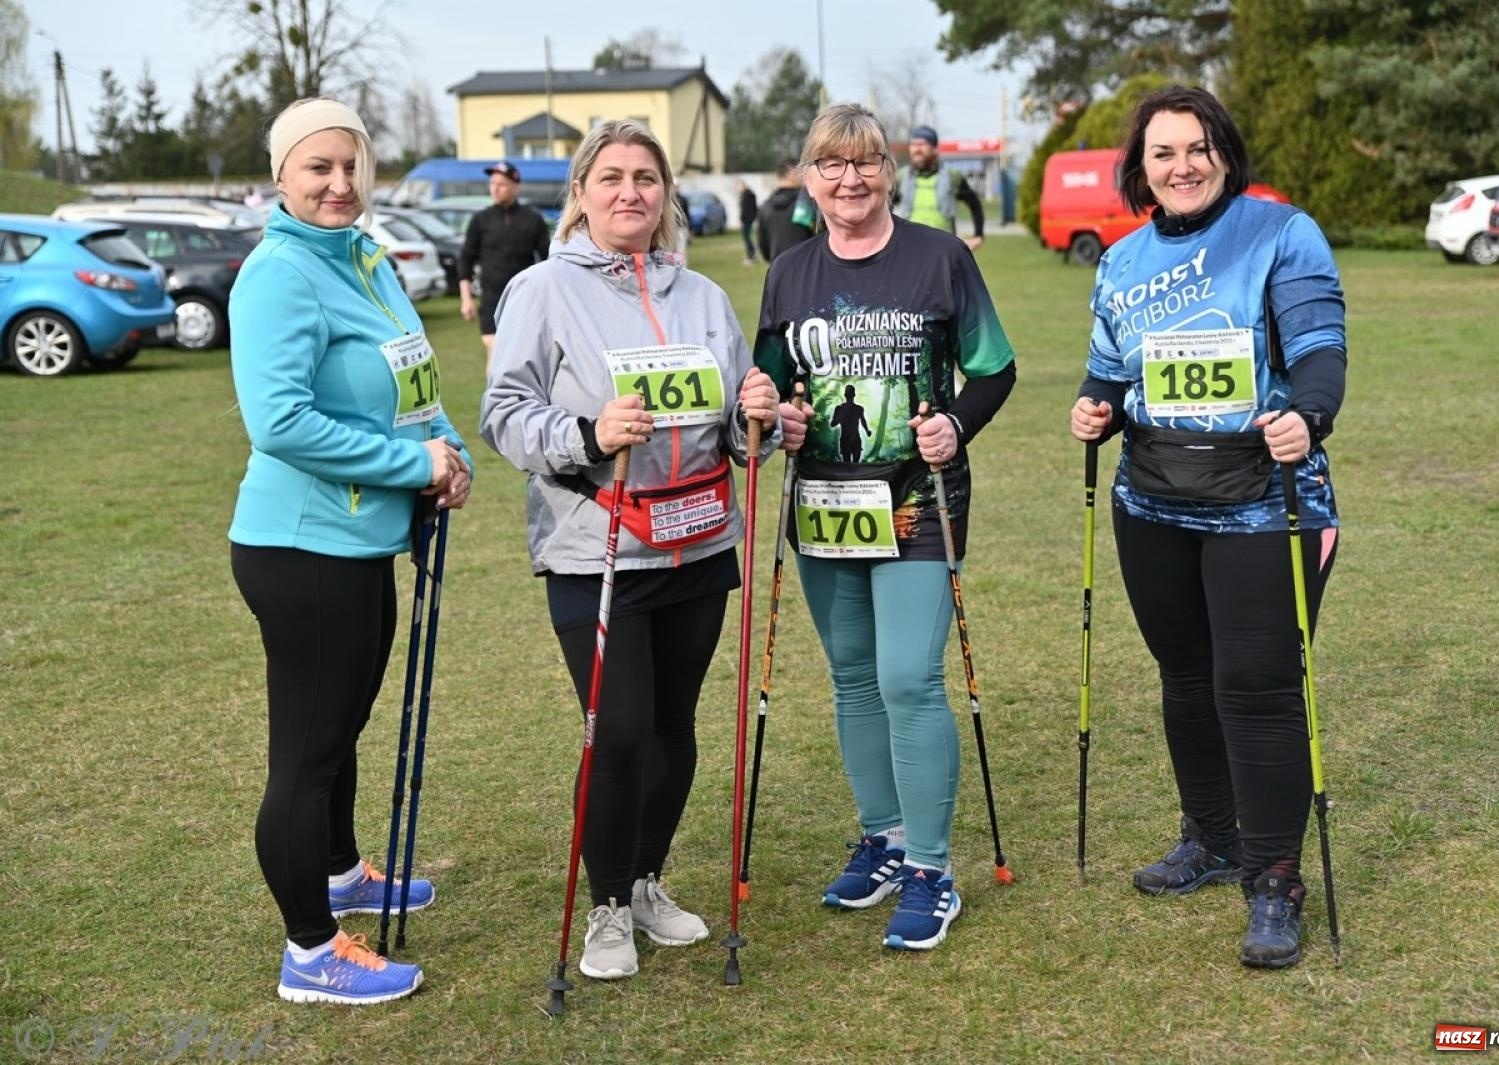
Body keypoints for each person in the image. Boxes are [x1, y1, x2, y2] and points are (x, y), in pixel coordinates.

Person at [479, 119, 781, 982]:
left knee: (672, 729)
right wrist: (587, 429)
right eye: (610, 177)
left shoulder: (704, 297)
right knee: (615, 734)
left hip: (697, 544)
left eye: (645, 178)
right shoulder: (541, 289)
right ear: (580, 193)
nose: (629, 193)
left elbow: (735, 437)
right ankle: (606, 906)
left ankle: (646, 880)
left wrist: (753, 419)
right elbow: (505, 413)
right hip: (596, 547)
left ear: (665, 194)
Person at [1069, 85, 1346, 970]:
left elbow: (1318, 347)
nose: (1181, 165)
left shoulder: (1280, 234)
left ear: (1224, 152)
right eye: (1163, 152)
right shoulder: (1121, 260)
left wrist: (1310, 412)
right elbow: (1111, 369)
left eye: (1197, 147)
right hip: (1151, 501)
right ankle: (1211, 836)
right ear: (1140, 168)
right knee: (1185, 677)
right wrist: (1094, 406)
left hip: (1265, 501)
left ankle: (1273, 881)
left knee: (1256, 686)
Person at [753, 103, 1016, 953]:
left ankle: (934, 869)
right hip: (824, 507)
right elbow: (770, 385)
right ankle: (887, 838)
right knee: (855, 679)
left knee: (908, 677)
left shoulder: (937, 257)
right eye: (830, 165)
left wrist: (957, 425)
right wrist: (781, 415)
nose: (849, 180)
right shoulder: (788, 272)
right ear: (808, 177)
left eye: (865, 163)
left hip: (916, 503)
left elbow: (995, 367)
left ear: (889, 172)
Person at [229, 97, 474, 1005]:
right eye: (317, 168)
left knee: (339, 732)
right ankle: (310, 950)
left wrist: (450, 453)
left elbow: (412, 386)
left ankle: (339, 871)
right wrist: (412, 462)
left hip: (363, 541)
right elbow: (281, 419)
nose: (338, 184)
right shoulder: (278, 273)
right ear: (282, 177)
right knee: (305, 753)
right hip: (303, 548)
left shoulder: (367, 259)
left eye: (350, 167)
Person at [458, 160, 552, 370]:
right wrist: (466, 299)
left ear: (515, 186)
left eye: (501, 183)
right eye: (492, 183)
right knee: (495, 347)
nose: (495, 188)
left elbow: (548, 258)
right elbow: (466, 258)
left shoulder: (533, 219)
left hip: (524, 299)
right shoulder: (481, 220)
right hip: (491, 299)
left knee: (523, 354)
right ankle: (494, 399)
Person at [893, 125, 984, 251]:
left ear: (935, 149)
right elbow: (884, 206)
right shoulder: (901, 177)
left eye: (922, 144)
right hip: (909, 249)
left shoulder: (952, 176)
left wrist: (978, 235)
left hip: (943, 250)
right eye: (913, 144)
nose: (917, 149)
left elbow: (974, 204)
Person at [757, 159, 818, 262]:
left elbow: (764, 249)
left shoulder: (765, 207)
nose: (804, 175)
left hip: (778, 270)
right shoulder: (807, 203)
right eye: (801, 171)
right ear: (791, 172)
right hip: (807, 268)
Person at [736, 178, 759, 264]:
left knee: (746, 238)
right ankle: (752, 254)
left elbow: (745, 209)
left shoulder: (747, 195)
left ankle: (751, 255)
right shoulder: (748, 194)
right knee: (746, 238)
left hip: (747, 220)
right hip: (748, 219)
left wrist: (742, 219)